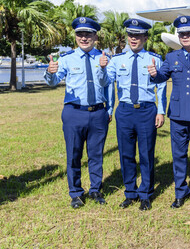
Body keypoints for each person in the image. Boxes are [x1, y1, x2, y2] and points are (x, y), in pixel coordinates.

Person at [147, 15, 190, 211]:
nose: (185, 36)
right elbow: (162, 77)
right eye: (181, 34)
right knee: (178, 155)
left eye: (188, 33)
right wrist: (154, 74)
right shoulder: (171, 57)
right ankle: (181, 191)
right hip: (177, 114)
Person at [44, 17, 113, 209]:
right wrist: (50, 71)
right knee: (74, 154)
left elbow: (108, 85)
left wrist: (109, 110)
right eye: (79, 34)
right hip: (74, 113)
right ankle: (75, 193)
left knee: (96, 154)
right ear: (75, 36)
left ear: (95, 36)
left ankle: (96, 189)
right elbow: (53, 81)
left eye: (88, 34)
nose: (84, 38)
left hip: (98, 112)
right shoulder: (66, 59)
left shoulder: (104, 58)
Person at [105, 18, 167, 211]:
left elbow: (162, 87)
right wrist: (101, 68)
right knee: (126, 154)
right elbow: (107, 82)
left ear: (145, 38)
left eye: (138, 35)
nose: (134, 39)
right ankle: (130, 192)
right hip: (124, 110)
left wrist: (161, 111)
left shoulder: (155, 60)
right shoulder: (116, 60)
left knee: (146, 154)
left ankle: (146, 194)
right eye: (131, 35)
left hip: (147, 110)